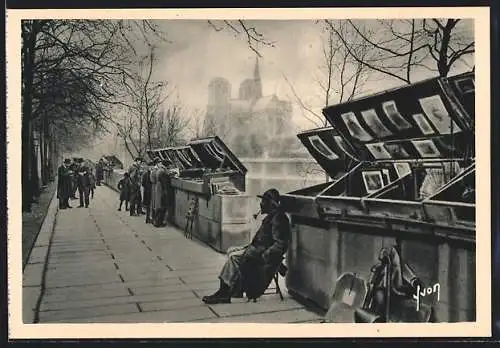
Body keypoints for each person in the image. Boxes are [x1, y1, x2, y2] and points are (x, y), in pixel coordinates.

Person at [202, 188, 291, 304]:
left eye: (264, 201)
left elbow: (280, 244)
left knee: (233, 259)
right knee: (232, 252)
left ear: (271, 204)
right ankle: (226, 291)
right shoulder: (272, 217)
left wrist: (265, 255)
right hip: (255, 250)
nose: (261, 204)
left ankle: (225, 293)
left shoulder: (278, 219)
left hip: (259, 254)